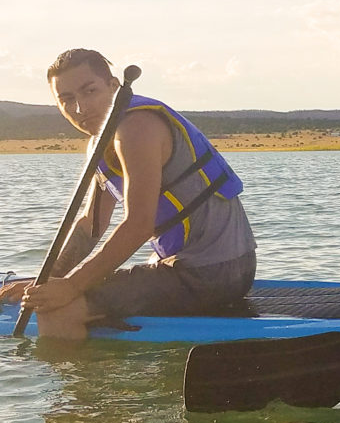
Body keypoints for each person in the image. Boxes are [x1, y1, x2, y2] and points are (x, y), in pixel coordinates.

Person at [0, 49, 257, 341]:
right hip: (214, 268)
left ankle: (73, 386)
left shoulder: (136, 129)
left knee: (57, 310)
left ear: (114, 86)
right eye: (67, 99)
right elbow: (91, 224)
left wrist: (69, 289)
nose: (81, 108)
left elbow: (138, 226)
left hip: (210, 275)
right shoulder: (102, 140)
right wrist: (47, 282)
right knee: (53, 297)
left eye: (89, 91)